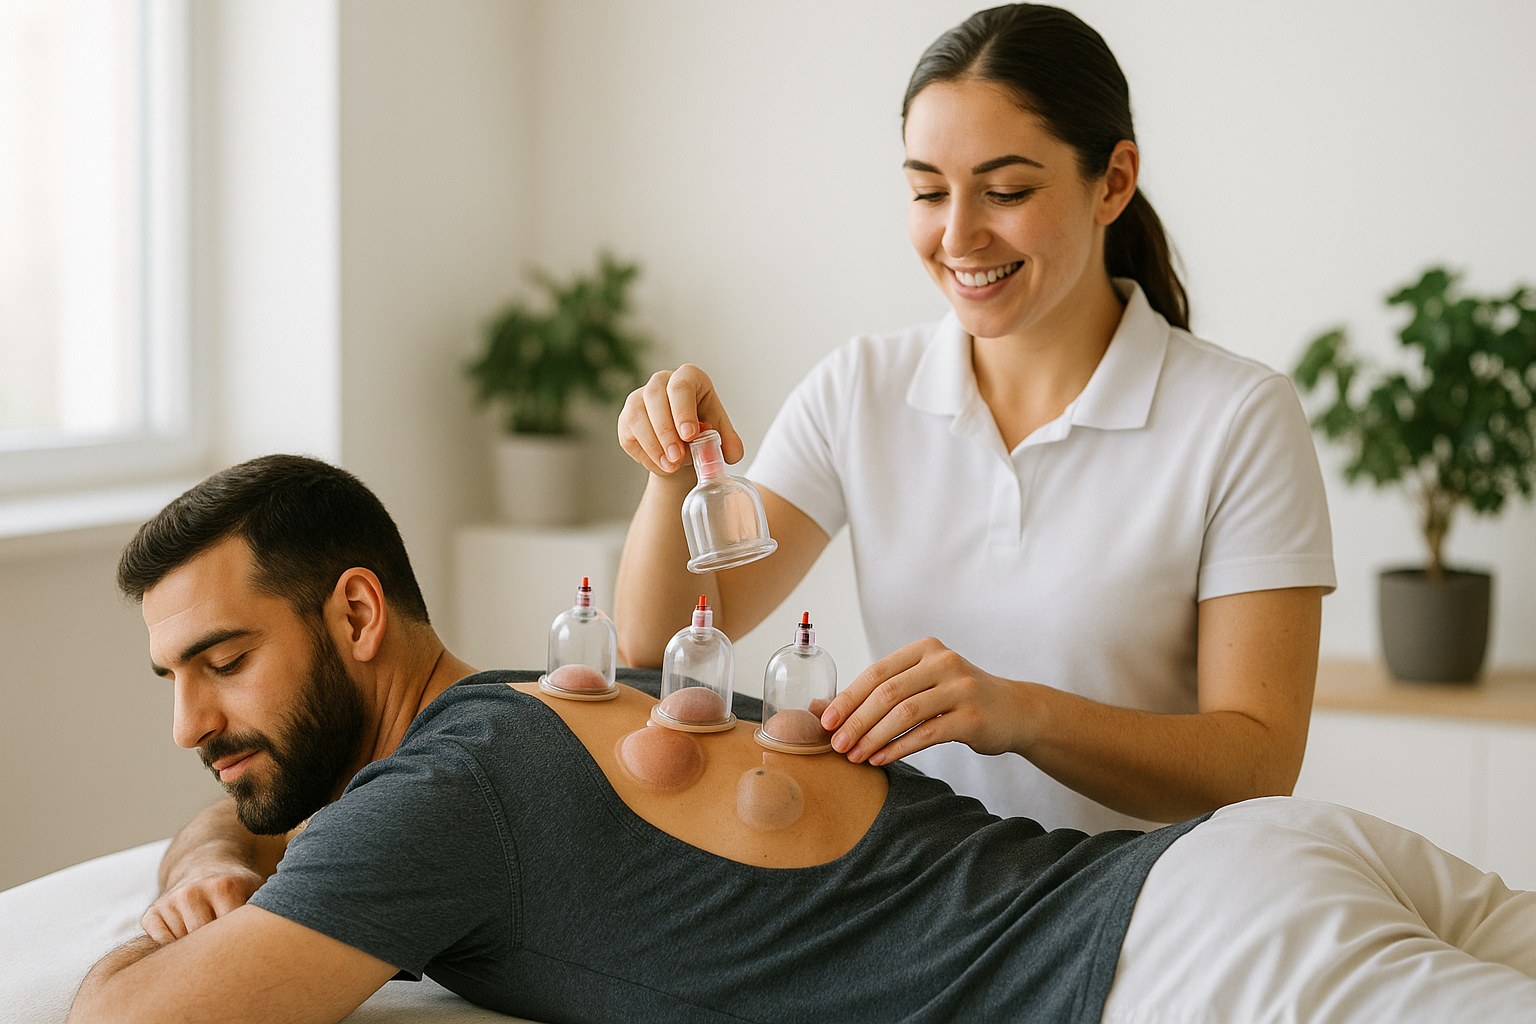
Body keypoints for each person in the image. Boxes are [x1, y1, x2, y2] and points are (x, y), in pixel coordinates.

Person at [63, 455, 1536, 1023]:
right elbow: (259, 810)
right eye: (171, 679)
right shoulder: (532, 703)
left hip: (1197, 973)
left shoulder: (440, 802)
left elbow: (127, 1023)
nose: (193, 722)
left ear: (357, 612)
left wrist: (181, 897)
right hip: (1259, 873)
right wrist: (208, 849)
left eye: (224, 663)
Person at [614, 3, 1335, 833]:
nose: (957, 236)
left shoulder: (1240, 418)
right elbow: (656, 647)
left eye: (1006, 192)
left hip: (1136, 892)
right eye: (928, 191)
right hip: (921, 881)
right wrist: (673, 471)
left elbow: (1257, 767)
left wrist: (1022, 714)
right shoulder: (860, 388)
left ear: (1112, 182)